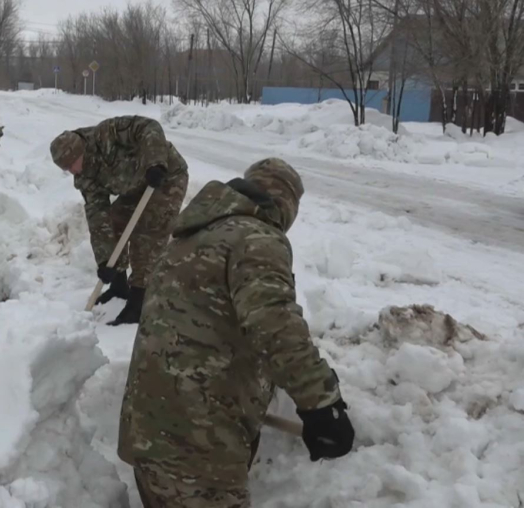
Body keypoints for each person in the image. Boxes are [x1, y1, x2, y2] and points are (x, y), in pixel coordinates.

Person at [117, 158, 355, 507]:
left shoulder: (192, 236)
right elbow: (273, 321)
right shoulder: (257, 237)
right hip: (197, 446)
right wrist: (321, 403)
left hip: (150, 428)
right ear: (285, 205)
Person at [49, 116, 188, 326]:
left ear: (81, 152)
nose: (73, 171)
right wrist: (106, 260)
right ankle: (119, 285)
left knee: (148, 231)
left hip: (165, 176)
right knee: (114, 221)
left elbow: (149, 127)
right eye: (67, 169)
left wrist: (155, 163)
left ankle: (139, 300)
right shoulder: (85, 177)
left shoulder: (108, 134)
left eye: (72, 165)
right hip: (134, 187)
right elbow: (97, 214)